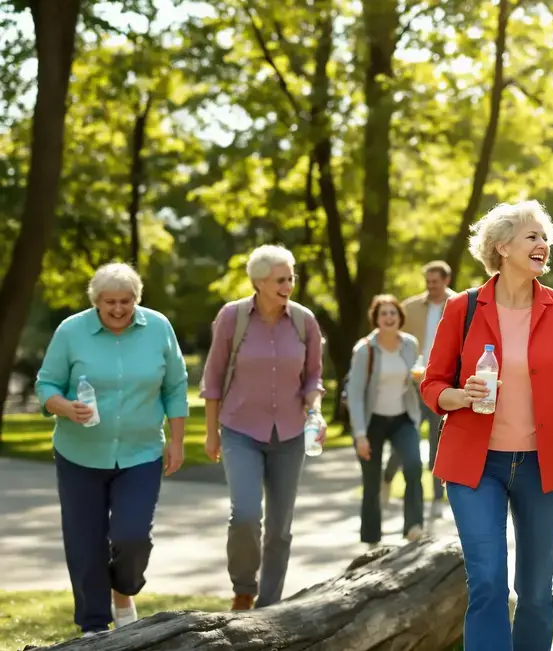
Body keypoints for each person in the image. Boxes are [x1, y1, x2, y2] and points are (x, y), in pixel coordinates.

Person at [420, 200, 553, 651]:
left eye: (545, 238)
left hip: (544, 465)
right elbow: (432, 384)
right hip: (475, 465)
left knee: (537, 592)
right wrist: (458, 397)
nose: (543, 244)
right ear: (502, 247)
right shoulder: (462, 307)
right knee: (487, 582)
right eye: (532, 236)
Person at [35, 262, 189, 637]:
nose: (119, 309)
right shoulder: (72, 331)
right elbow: (46, 385)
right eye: (110, 303)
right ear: (95, 302)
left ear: (137, 299)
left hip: (141, 453)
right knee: (85, 542)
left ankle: (124, 592)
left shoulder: (158, 328)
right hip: (79, 454)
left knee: (132, 536)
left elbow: (175, 386)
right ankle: (93, 626)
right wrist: (66, 407)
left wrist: (178, 440)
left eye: (126, 301)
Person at [199, 244, 326, 611]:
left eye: (291, 277)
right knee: (245, 515)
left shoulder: (304, 321)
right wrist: (211, 432)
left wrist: (314, 409)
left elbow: (313, 374)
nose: (289, 284)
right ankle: (243, 588)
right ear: (258, 282)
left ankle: (269, 605)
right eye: (280, 279)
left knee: (280, 527)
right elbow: (213, 375)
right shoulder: (232, 317)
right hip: (240, 429)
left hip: (289, 433)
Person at [345, 294, 426, 546]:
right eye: (384, 313)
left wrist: (419, 378)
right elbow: (356, 395)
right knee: (371, 482)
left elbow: (417, 373)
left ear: (400, 317)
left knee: (413, 466)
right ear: (376, 319)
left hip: (403, 418)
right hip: (372, 422)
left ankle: (413, 527)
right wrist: (360, 434)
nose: (389, 317)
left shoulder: (409, 344)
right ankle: (371, 539)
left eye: (393, 313)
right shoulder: (364, 350)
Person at [394, 260, 457, 516]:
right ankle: (388, 479)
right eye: (427, 281)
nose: (430, 286)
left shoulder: (460, 305)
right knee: (403, 436)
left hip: (443, 385)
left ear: (446, 281)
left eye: (435, 281)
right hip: (413, 384)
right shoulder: (409, 309)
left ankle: (437, 500)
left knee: (437, 442)